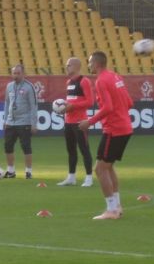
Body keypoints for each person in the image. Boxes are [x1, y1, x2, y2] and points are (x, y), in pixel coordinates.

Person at [78, 51, 134, 220]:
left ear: (96, 64)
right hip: (125, 127)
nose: (88, 66)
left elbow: (108, 107)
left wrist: (90, 121)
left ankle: (111, 210)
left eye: (89, 62)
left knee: (100, 169)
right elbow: (129, 102)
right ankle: (117, 206)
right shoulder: (115, 77)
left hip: (113, 129)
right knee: (108, 167)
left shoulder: (101, 80)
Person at [57, 57, 95, 187]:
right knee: (71, 150)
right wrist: (63, 108)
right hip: (68, 121)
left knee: (84, 149)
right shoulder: (68, 82)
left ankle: (89, 177)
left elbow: (90, 102)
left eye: (68, 65)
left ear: (76, 67)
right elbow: (70, 101)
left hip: (80, 122)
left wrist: (72, 106)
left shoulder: (84, 81)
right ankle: (71, 177)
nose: (66, 67)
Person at [1, 63, 39, 179]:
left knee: (26, 146)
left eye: (18, 73)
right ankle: (11, 171)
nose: (16, 75)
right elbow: (7, 103)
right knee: (8, 146)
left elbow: (33, 106)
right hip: (11, 122)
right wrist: (5, 119)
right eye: (14, 73)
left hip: (25, 121)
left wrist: (33, 124)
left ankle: (28, 171)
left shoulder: (29, 87)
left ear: (23, 74)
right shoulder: (9, 86)